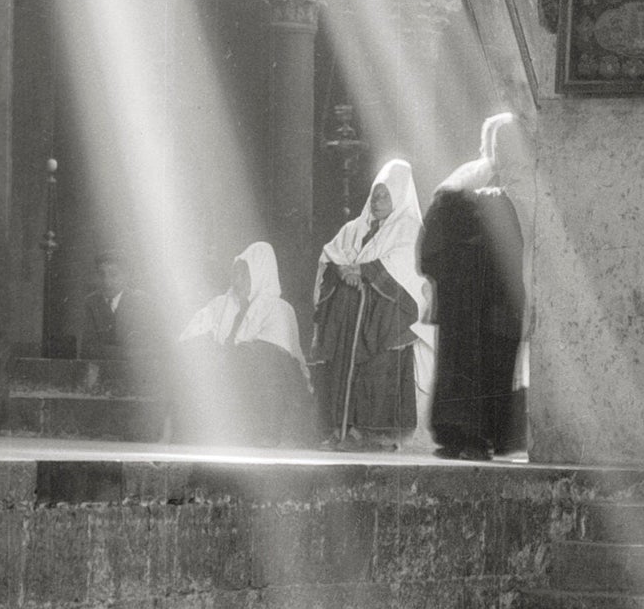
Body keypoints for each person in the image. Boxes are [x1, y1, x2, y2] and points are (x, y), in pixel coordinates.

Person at [420, 114, 528, 459]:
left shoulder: (525, 182)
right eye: (497, 143)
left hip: (499, 299)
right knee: (462, 368)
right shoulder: (469, 179)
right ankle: (459, 436)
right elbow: (437, 233)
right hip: (466, 301)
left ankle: (482, 438)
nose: (501, 151)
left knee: (493, 367)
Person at [312, 160, 429, 450]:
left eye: (385, 195)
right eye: (375, 195)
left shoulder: (410, 228)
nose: (377, 201)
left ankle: (371, 432)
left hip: (387, 316)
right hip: (353, 312)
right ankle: (342, 427)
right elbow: (331, 254)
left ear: (399, 195)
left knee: (377, 365)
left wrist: (363, 272)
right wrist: (342, 270)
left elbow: (406, 270)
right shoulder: (356, 226)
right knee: (342, 362)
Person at [179, 241, 313, 446]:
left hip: (267, 378)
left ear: (260, 274)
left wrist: (226, 353)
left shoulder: (278, 308)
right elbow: (191, 336)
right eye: (235, 274)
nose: (237, 281)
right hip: (233, 371)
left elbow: (273, 352)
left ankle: (268, 432)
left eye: (244, 275)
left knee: (266, 364)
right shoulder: (221, 304)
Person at [78, 252, 159, 360]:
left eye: (113, 275)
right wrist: (124, 352)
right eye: (102, 274)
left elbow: (146, 350)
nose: (107, 281)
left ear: (126, 276)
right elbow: (87, 349)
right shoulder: (91, 302)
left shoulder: (141, 301)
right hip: (101, 371)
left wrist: (106, 351)